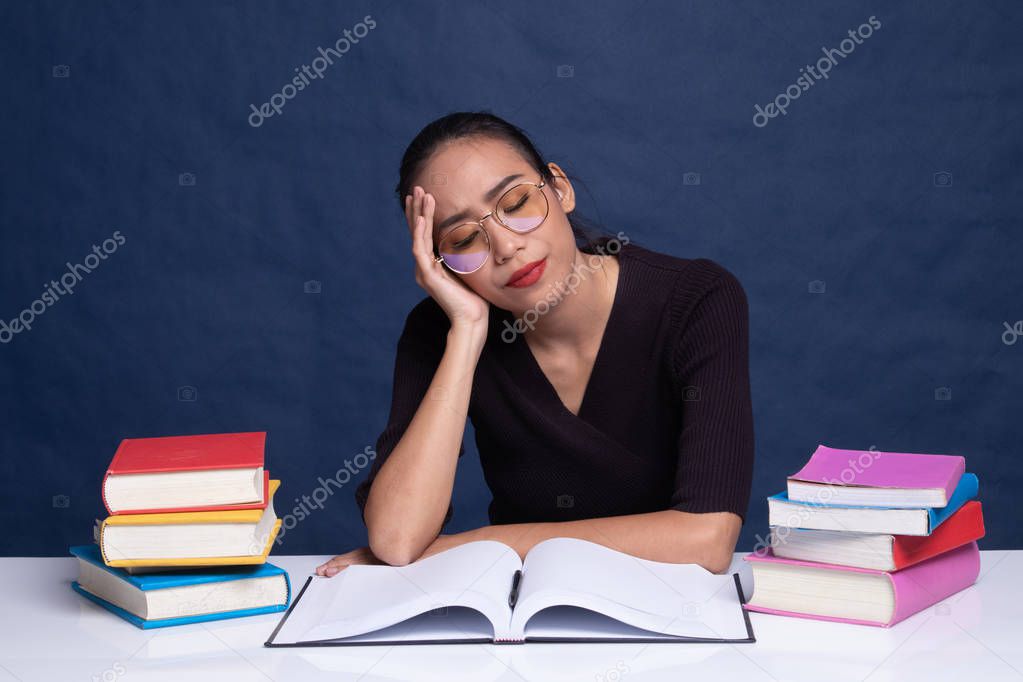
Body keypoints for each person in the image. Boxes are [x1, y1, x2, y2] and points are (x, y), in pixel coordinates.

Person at [315, 111, 754, 577]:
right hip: (519, 622)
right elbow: (398, 540)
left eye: (516, 203)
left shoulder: (697, 299)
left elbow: (708, 540)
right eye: (464, 238)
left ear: (560, 188)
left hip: (671, 619)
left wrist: (477, 543)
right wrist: (466, 332)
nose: (505, 247)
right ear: (440, 263)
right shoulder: (440, 329)